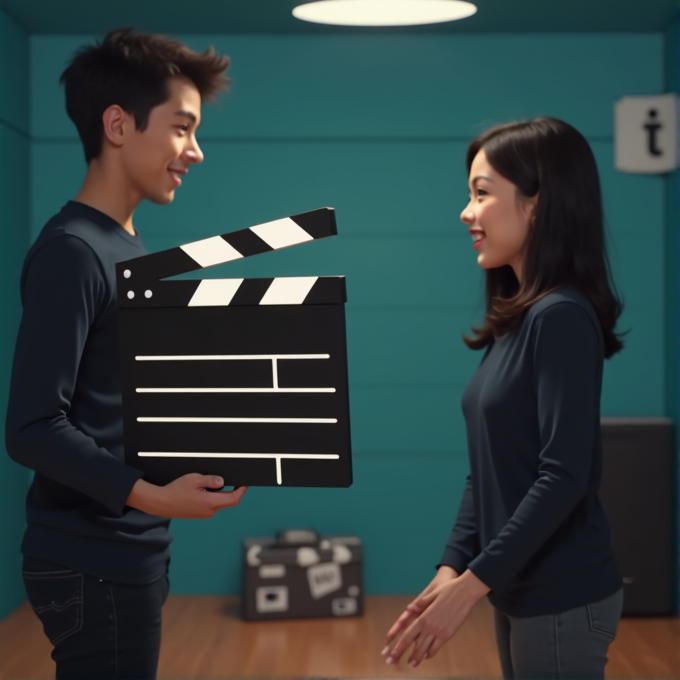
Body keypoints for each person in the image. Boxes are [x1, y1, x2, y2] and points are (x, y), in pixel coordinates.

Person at [5, 27, 247, 680]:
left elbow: (112, 404)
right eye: (181, 128)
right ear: (118, 124)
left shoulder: (126, 249)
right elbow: (32, 427)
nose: (195, 151)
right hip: (92, 558)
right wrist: (151, 496)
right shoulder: (74, 252)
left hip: (126, 552)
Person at [382, 118, 625, 680]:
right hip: (516, 589)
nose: (466, 213)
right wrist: (451, 569)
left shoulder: (561, 317)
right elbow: (487, 472)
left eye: (481, 193)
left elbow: (563, 475)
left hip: (562, 595)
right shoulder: (521, 319)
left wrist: (469, 587)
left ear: (538, 204)